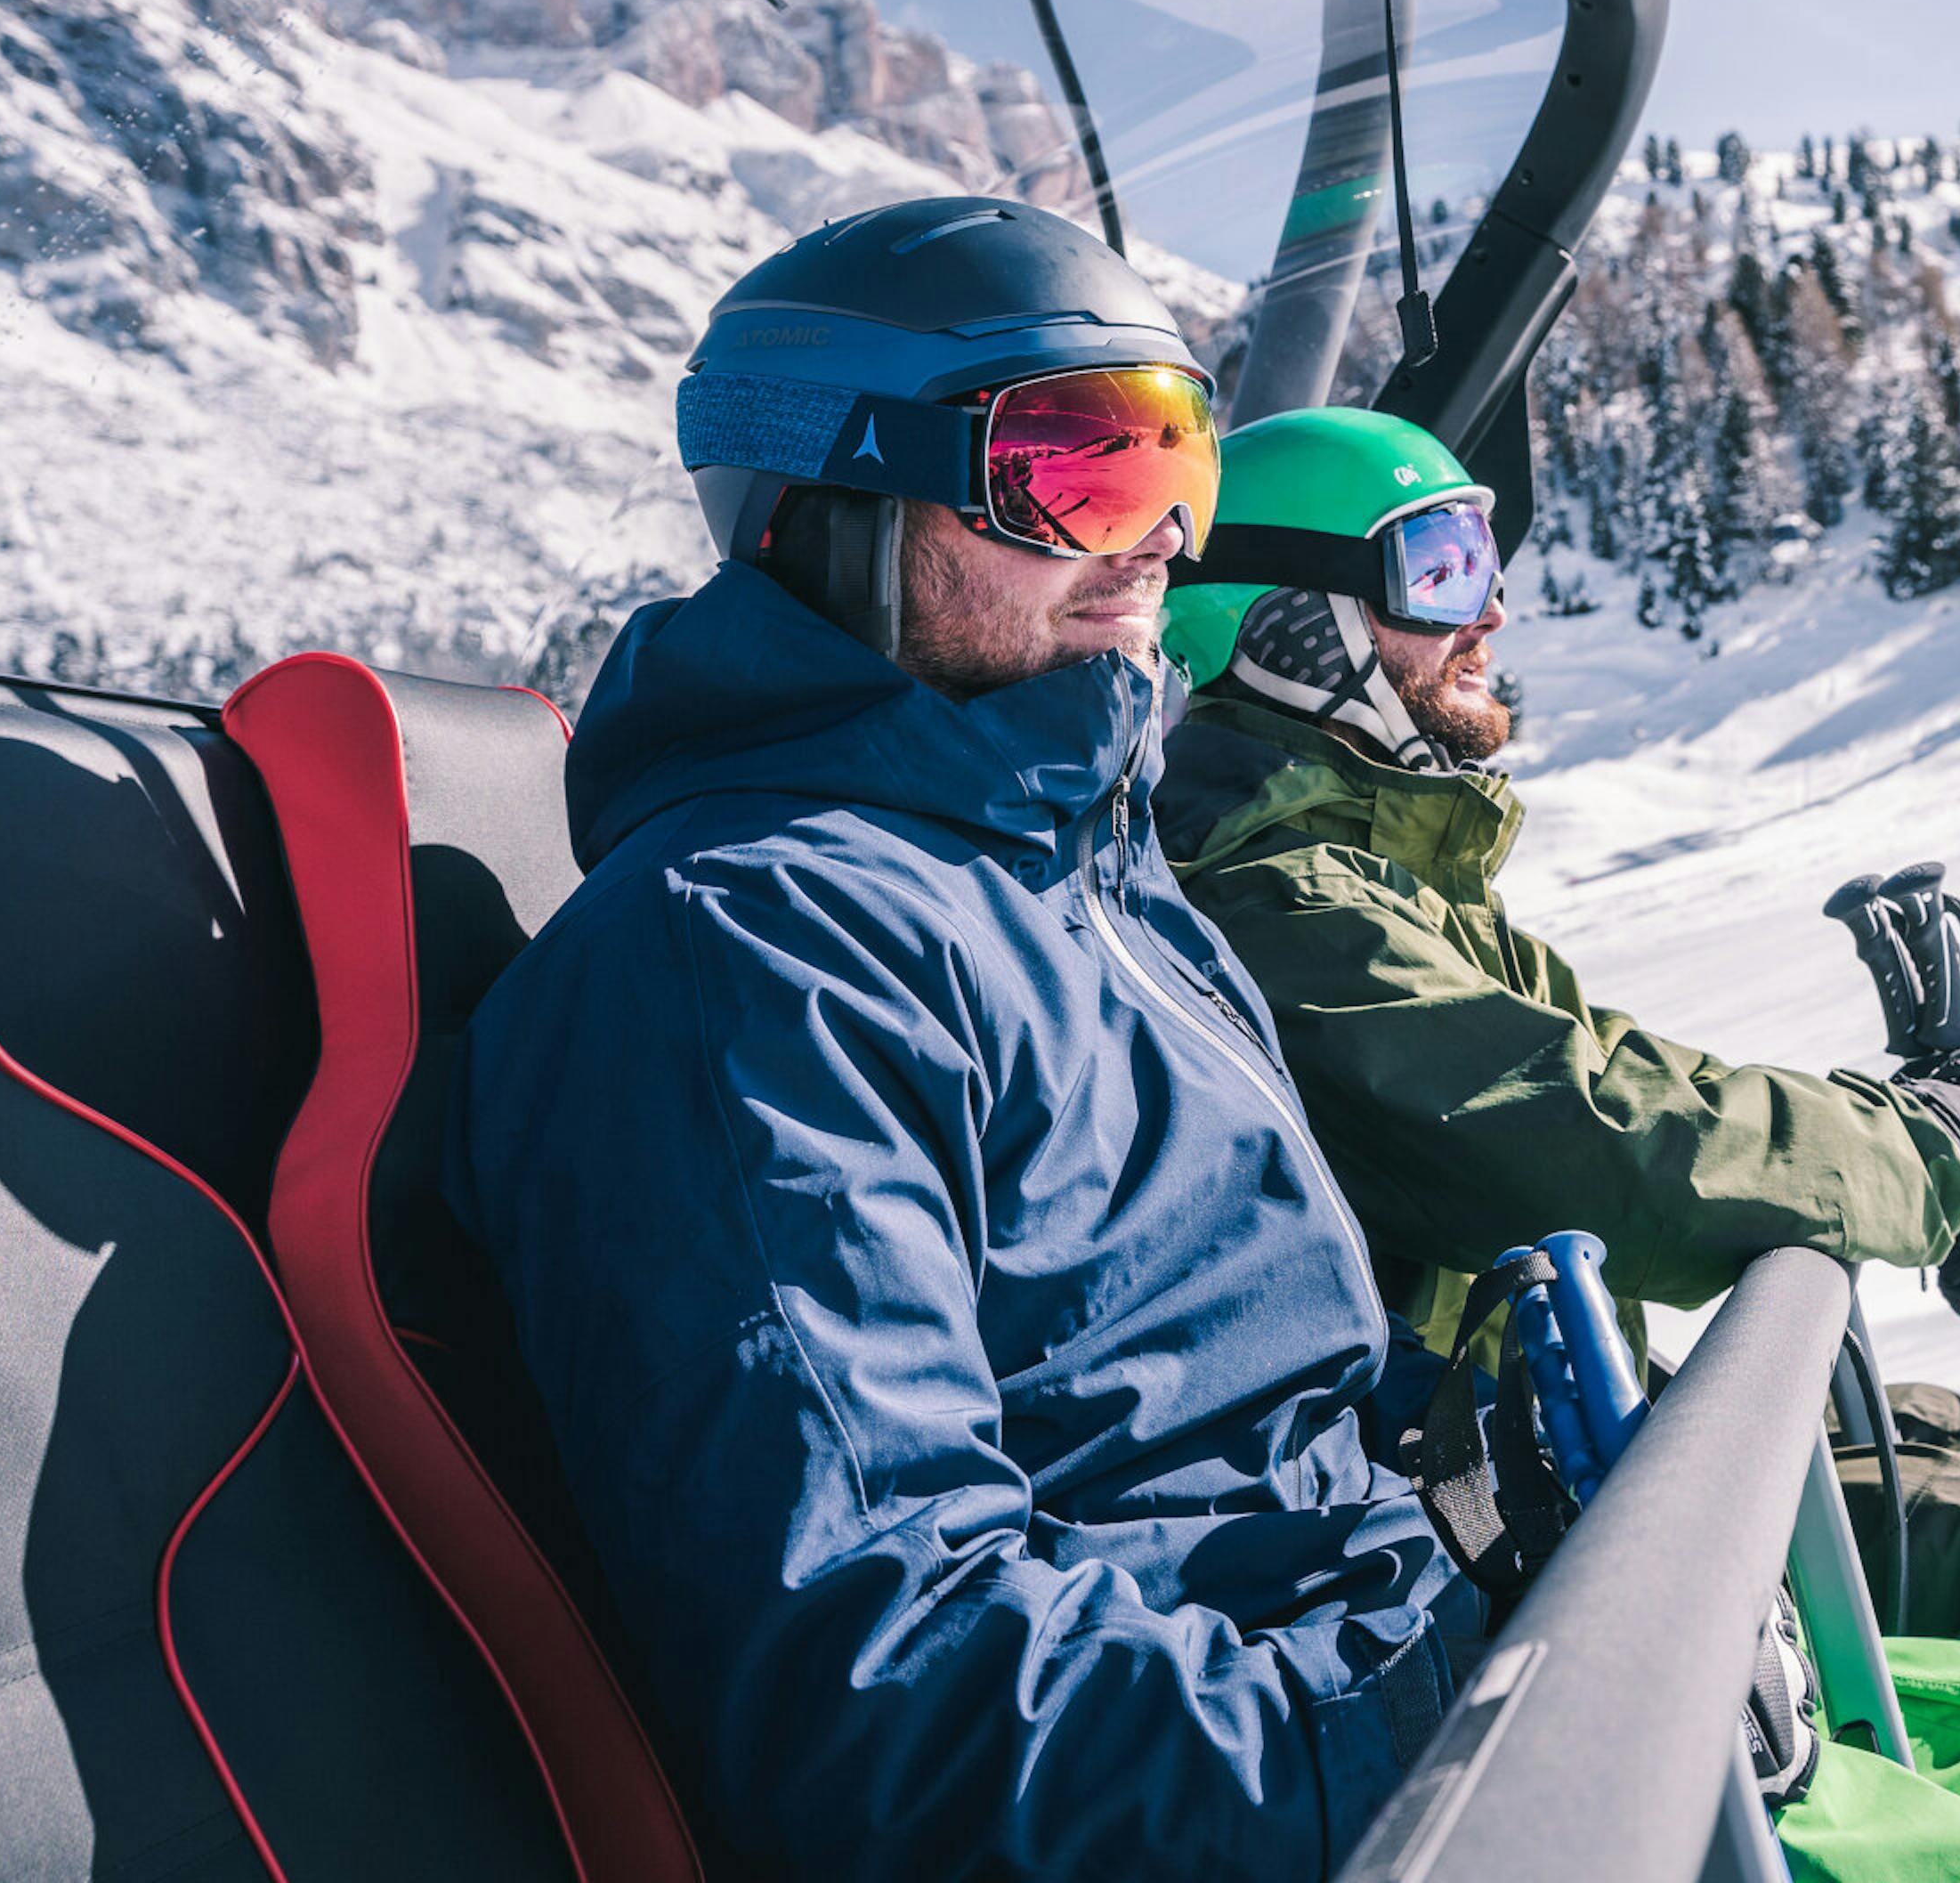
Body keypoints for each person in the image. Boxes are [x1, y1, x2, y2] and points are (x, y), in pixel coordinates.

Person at [446, 203, 1466, 1882]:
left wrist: (1487, 1487)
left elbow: (1236, 1389)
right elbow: (897, 1697)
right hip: (1311, 1781)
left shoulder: (1086, 877)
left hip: (1370, 1651)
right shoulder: (757, 959)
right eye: (1076, 469)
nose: (1156, 543)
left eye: (1176, 465)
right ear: (828, 501)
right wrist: (1446, 1712)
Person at [1154, 408, 1960, 1727]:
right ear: (1289, 629)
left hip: (1523, 1438)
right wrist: (1940, 1155)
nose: (1489, 613)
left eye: (1483, 558)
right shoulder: (1282, 909)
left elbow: (1631, 1073)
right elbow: (1605, 1142)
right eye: (1437, 571)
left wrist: (1914, 1141)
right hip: (1449, 1511)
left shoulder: (1392, 880)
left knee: (1943, 1437)